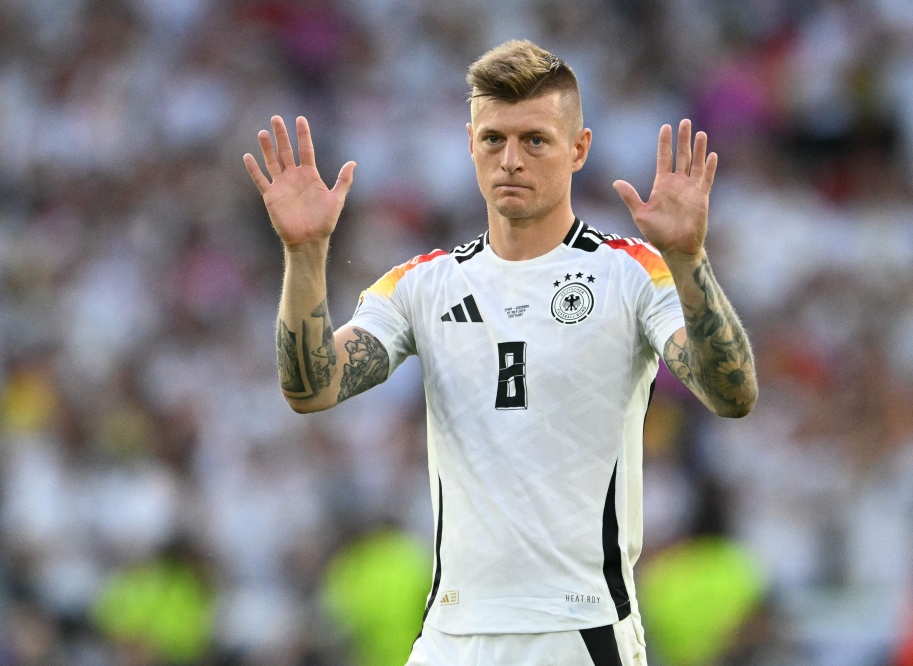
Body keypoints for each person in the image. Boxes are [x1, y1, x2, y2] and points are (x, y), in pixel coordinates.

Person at [243, 39, 757, 666]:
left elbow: (730, 393)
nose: (511, 159)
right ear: (470, 144)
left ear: (579, 149)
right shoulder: (423, 284)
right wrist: (304, 253)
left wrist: (689, 261)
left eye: (535, 139)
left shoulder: (632, 273)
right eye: (494, 139)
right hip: (451, 634)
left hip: (576, 631)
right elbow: (310, 387)